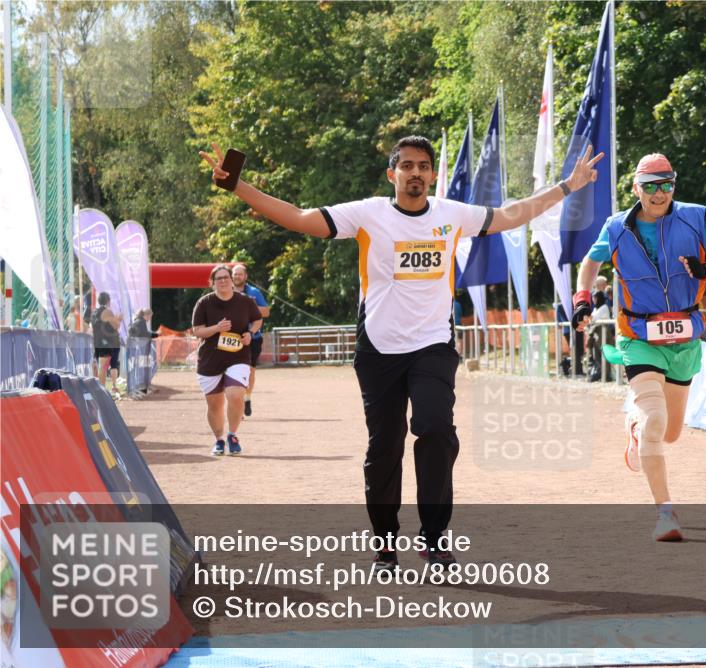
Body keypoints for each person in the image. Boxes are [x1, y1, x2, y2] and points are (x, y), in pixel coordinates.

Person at [201, 136, 602, 570]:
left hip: (433, 345)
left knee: (436, 429)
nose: (416, 173)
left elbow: (510, 215)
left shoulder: (452, 214)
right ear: (392, 174)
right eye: (407, 165)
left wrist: (567, 186)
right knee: (385, 448)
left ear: (431, 174)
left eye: (423, 166)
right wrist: (237, 185)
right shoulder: (368, 214)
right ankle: (386, 541)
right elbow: (299, 218)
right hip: (379, 349)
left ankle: (433, 537)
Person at [572, 153, 706, 542]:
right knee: (655, 422)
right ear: (636, 188)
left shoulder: (694, 218)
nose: (659, 194)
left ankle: (636, 425)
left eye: (666, 185)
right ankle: (665, 513)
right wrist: (582, 300)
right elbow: (589, 264)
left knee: (671, 433)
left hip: (684, 339)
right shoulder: (616, 228)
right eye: (650, 186)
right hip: (639, 336)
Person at [191, 264, 263, 456]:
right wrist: (217, 328)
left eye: (226, 277)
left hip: (238, 356)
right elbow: (197, 331)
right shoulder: (204, 303)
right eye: (219, 278)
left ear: (232, 280)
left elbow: (258, 319)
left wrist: (250, 332)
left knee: (235, 395)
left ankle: (232, 435)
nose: (223, 281)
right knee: (214, 405)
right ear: (212, 283)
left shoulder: (245, 301)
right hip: (210, 358)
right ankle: (219, 440)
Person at [232, 264, 270, 416]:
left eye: (240, 274)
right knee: (233, 371)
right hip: (232, 338)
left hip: (253, 338)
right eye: (235, 274)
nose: (237, 276)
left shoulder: (254, 292)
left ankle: (247, 398)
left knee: (250, 371)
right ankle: (237, 404)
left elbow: (266, 312)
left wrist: (249, 305)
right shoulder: (226, 292)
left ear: (246, 276)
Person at [92, 292, 124, 393]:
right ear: (108, 301)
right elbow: (115, 326)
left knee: (99, 366)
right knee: (103, 367)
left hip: (97, 342)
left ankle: (99, 388)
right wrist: (119, 320)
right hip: (106, 342)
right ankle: (101, 390)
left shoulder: (94, 312)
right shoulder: (107, 312)